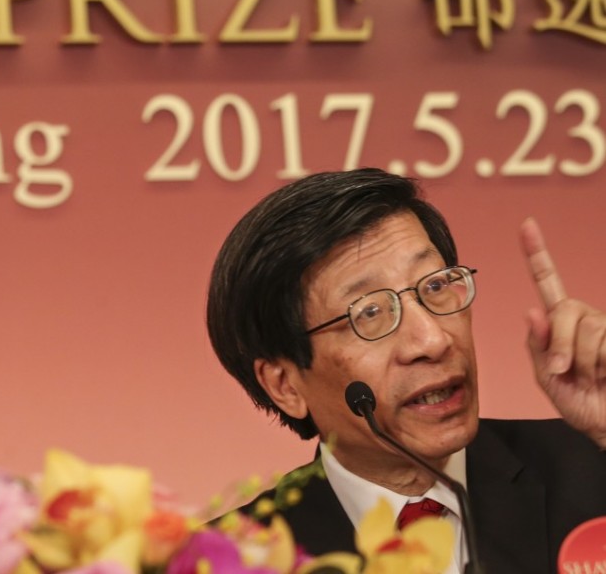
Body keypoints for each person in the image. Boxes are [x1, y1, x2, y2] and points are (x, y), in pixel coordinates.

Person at [206, 168, 606, 573]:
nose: (433, 340)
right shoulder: (231, 561)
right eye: (371, 313)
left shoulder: (592, 467)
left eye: (434, 287)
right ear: (285, 385)